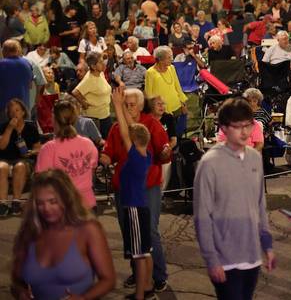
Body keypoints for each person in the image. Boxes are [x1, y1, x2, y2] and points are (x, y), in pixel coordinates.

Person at [193, 97, 276, 300]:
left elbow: (259, 205)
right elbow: (202, 216)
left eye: (248, 125)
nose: (245, 132)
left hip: (252, 255)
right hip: (225, 258)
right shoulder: (210, 163)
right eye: (237, 126)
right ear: (223, 128)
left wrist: (267, 244)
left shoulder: (255, 158)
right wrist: (212, 259)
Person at [100, 88, 171, 293]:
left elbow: (161, 152)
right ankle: (139, 275)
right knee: (131, 235)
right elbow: (110, 151)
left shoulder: (148, 128)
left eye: (131, 104)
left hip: (146, 190)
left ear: (141, 106)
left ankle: (156, 277)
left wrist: (165, 152)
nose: (128, 108)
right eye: (126, 104)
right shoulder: (116, 128)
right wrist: (103, 158)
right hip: (124, 190)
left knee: (149, 233)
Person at [11, 170, 115, 300]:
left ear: (67, 199)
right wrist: (21, 292)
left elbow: (108, 280)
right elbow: (16, 282)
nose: (46, 208)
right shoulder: (29, 232)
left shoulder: (88, 230)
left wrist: (84, 298)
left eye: (53, 201)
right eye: (40, 203)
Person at [110, 85, 154, 300]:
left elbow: (126, 132)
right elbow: (132, 130)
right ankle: (148, 287)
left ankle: (139, 294)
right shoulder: (147, 155)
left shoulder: (135, 158)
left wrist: (118, 105)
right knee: (146, 251)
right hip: (141, 207)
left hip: (134, 209)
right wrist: (126, 112)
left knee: (138, 254)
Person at [35, 99, 98, 211]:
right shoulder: (89, 144)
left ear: (54, 119)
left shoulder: (49, 148)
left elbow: (41, 181)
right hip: (87, 205)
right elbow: (91, 174)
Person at [0, 99, 42, 216]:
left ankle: (16, 202)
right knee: (1, 167)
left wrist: (31, 152)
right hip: (5, 159)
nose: (14, 114)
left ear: (23, 112)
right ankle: (2, 203)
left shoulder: (31, 128)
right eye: (11, 111)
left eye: (17, 110)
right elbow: (2, 146)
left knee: (19, 166)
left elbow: (38, 148)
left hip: (24, 159)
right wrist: (9, 129)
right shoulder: (3, 127)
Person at [145, 46, 188, 140]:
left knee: (178, 133)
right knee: (166, 136)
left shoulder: (172, 68)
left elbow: (177, 85)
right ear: (160, 59)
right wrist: (152, 110)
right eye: (169, 57)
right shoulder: (150, 72)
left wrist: (183, 101)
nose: (172, 59)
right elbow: (148, 93)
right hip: (161, 109)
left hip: (176, 105)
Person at [72, 52, 113, 139]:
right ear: (93, 66)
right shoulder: (89, 79)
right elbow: (75, 92)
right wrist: (84, 103)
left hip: (106, 114)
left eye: (103, 61)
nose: (103, 64)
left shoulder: (100, 73)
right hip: (96, 118)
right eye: (100, 62)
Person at [0, 39, 34, 114]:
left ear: (4, 51)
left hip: (6, 110)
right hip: (23, 109)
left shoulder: (1, 64)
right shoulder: (27, 64)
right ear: (18, 50)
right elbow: (30, 85)